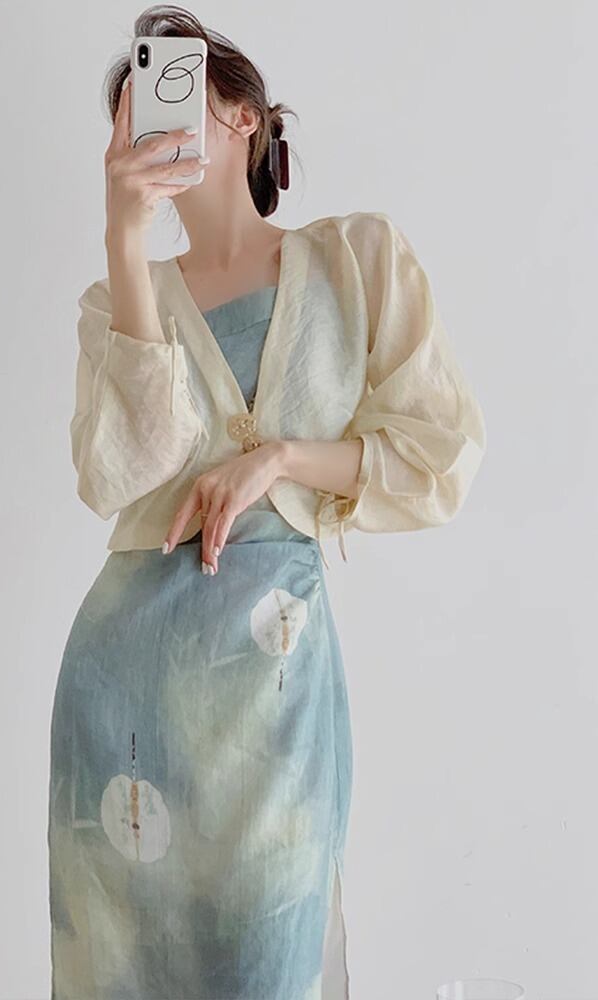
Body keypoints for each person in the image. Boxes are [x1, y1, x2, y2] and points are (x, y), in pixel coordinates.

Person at [48, 7, 487, 999]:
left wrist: (279, 459)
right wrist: (124, 239)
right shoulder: (119, 299)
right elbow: (120, 471)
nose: (154, 123)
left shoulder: (356, 262)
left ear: (244, 114)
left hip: (274, 684)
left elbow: (440, 454)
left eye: (176, 92)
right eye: (134, 114)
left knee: (268, 965)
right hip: (127, 688)